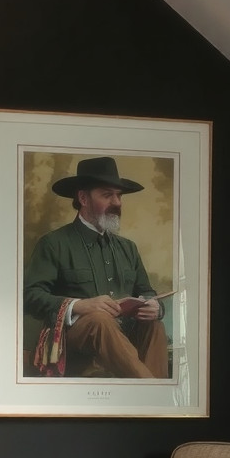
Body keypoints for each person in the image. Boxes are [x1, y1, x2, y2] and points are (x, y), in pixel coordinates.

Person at [23, 156, 169, 379]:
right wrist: (80, 305)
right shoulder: (53, 244)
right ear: (83, 197)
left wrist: (155, 307)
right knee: (100, 320)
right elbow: (30, 297)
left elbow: (146, 292)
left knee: (155, 326)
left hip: (125, 336)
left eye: (119, 195)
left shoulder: (128, 248)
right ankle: (156, 396)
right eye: (107, 195)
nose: (117, 203)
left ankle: (148, 399)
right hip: (70, 340)